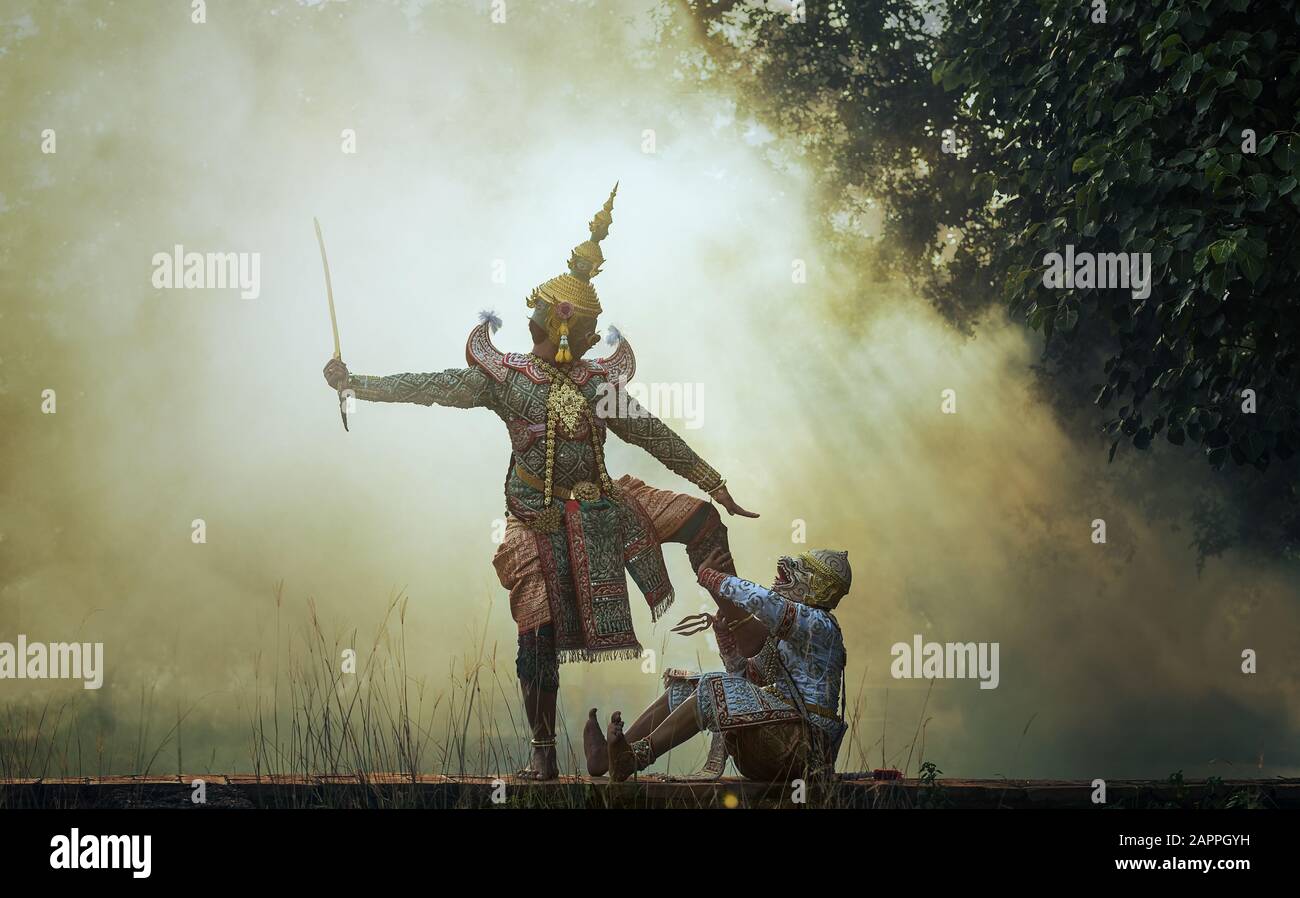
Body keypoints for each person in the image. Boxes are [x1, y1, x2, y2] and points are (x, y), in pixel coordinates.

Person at [322, 185, 758, 779]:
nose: (586, 343)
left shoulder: (596, 385)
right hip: (534, 519)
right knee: (538, 630)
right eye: (584, 333)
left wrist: (714, 483)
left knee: (705, 522)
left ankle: (745, 659)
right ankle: (543, 753)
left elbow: (655, 435)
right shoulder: (505, 380)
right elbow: (429, 386)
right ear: (557, 326)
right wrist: (360, 384)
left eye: (590, 335)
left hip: (607, 505)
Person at [593, 546, 850, 783]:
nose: (787, 565)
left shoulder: (819, 625)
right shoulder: (790, 635)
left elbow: (764, 601)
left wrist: (711, 577)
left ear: (817, 586)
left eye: (799, 568)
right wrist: (727, 642)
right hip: (783, 741)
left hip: (804, 750)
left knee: (711, 685)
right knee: (687, 688)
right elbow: (745, 680)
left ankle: (633, 758)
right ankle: (606, 758)